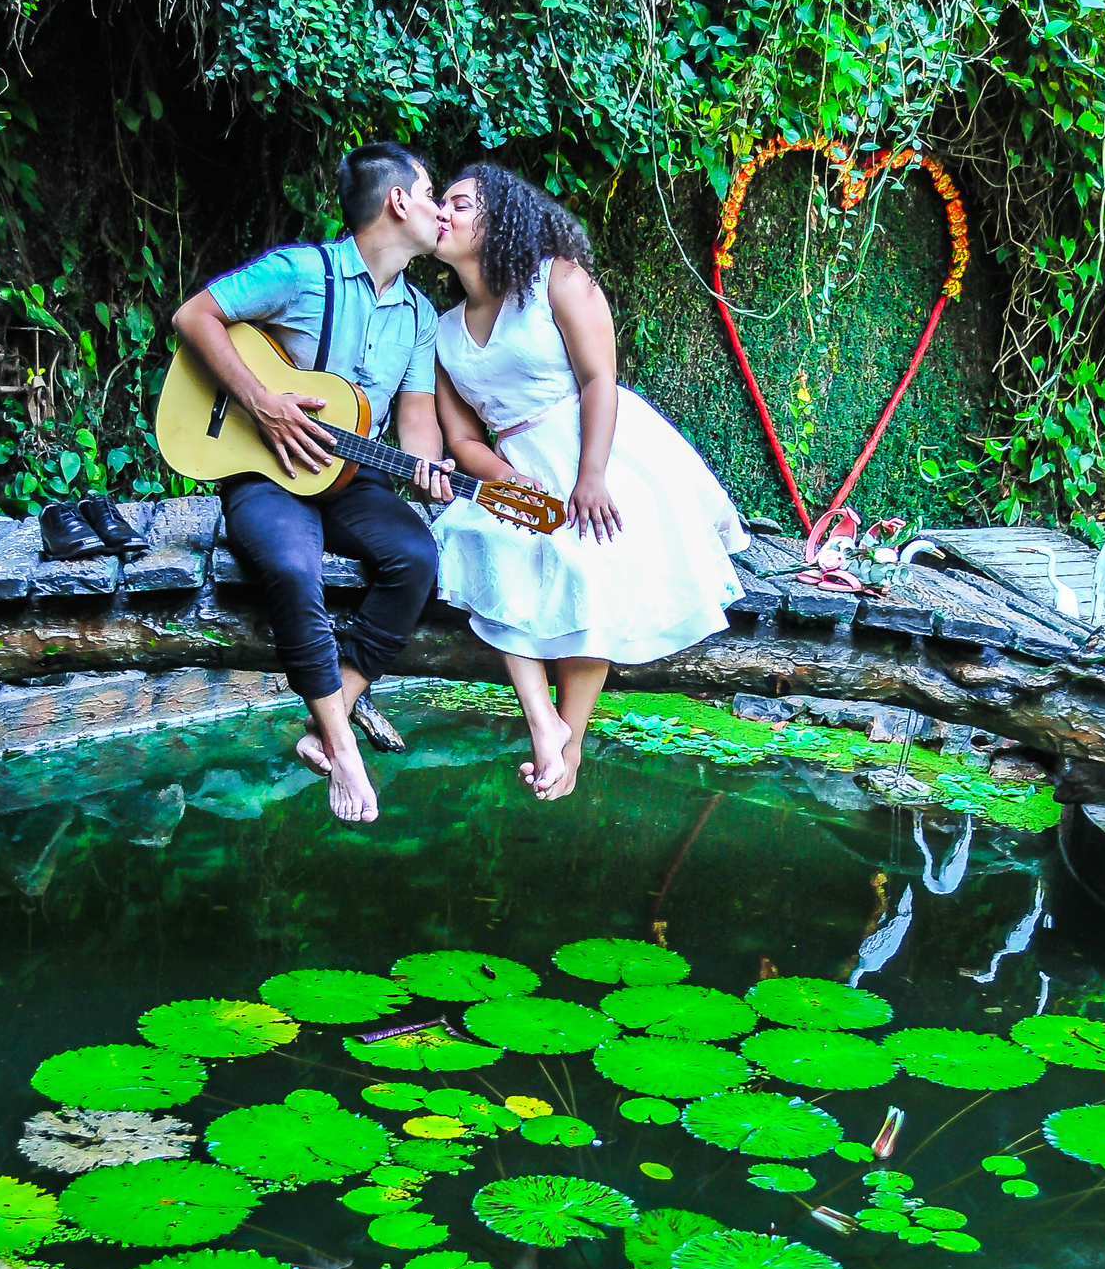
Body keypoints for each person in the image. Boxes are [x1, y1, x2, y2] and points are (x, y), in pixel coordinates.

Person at [431, 163, 748, 801]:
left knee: (589, 565)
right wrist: (509, 480)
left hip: (595, 445)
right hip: (516, 466)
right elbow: (462, 439)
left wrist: (592, 476)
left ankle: (569, 743)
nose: (443, 212)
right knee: (484, 540)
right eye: (440, 202)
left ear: (500, 218)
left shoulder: (556, 278)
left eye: (460, 204)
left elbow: (600, 377)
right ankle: (543, 723)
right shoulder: (443, 331)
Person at [172, 142, 454, 824]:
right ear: (397, 201)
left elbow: (416, 418)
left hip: (351, 479)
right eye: (430, 195)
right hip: (264, 474)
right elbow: (193, 316)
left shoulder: (419, 315)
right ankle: (344, 749)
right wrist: (260, 401)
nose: (441, 210)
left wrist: (427, 469)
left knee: (416, 558)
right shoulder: (300, 272)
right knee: (294, 569)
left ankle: (330, 716)